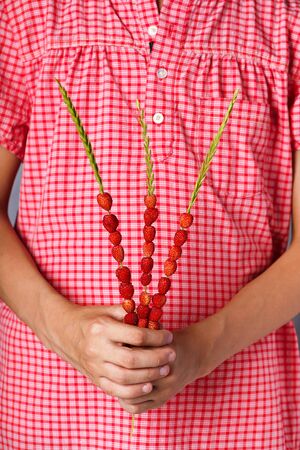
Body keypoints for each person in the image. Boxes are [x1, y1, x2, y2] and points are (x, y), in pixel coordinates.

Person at [0, 0, 299, 448]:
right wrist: (65, 331)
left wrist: (202, 349)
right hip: (53, 409)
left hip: (238, 408)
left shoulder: (285, 18)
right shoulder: (28, 12)